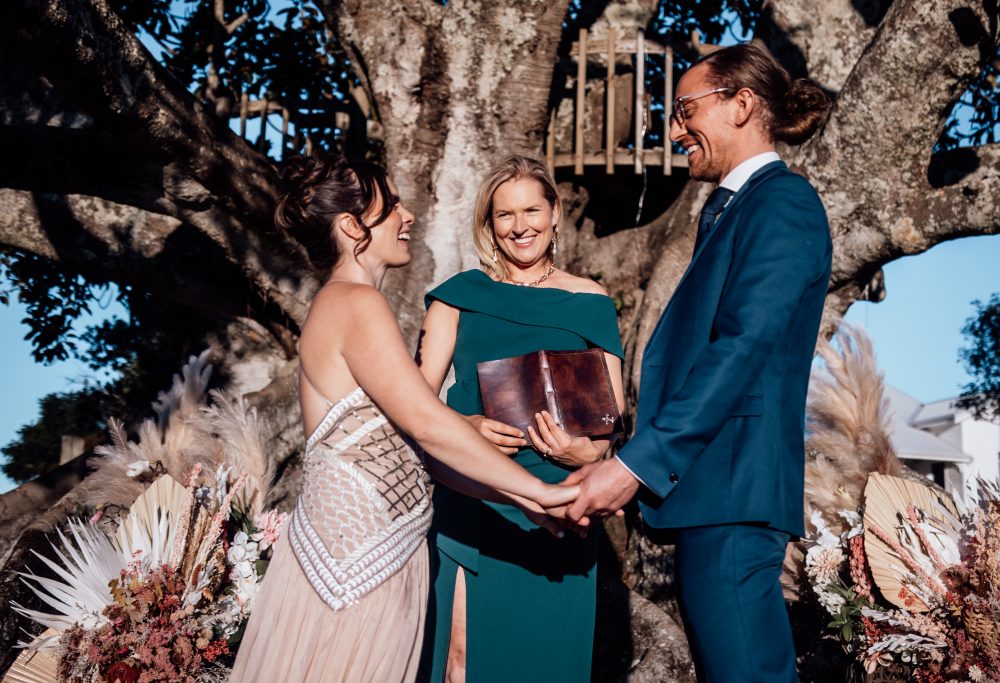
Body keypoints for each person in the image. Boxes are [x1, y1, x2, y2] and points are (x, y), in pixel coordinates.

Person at [229, 152, 577, 683]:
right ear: (352, 226)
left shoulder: (351, 303)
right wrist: (547, 492)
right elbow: (428, 425)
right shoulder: (353, 302)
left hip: (381, 563)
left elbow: (419, 456)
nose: (406, 214)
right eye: (390, 205)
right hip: (351, 570)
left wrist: (527, 499)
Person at [565, 43, 833, 682]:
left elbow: (740, 350)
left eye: (686, 109)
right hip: (715, 492)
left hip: (733, 494)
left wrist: (636, 466)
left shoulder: (782, 203)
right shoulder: (736, 208)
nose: (675, 128)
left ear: (742, 104)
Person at [416, 155, 625, 683]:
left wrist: (579, 455)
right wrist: (464, 427)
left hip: (562, 511)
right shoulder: (457, 296)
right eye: (504, 215)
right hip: (472, 500)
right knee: (460, 664)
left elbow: (608, 425)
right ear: (489, 224)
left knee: (546, 667)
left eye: (532, 210)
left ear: (555, 214)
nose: (520, 226)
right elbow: (411, 404)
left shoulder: (593, 302)